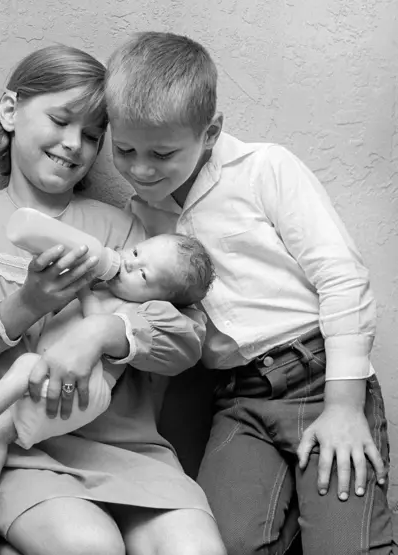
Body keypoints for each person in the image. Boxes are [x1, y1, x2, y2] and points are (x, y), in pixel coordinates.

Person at [0, 44, 226, 555]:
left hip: (132, 452)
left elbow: (186, 339)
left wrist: (103, 331)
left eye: (92, 135)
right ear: (11, 111)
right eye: (60, 121)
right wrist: (28, 303)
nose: (73, 144)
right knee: (89, 547)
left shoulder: (123, 227)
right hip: (23, 449)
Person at [105, 31, 394, 554]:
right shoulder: (138, 219)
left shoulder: (265, 169)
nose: (141, 169)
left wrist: (345, 406)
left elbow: (342, 277)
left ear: (210, 131)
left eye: (163, 153)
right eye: (124, 149)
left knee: (345, 546)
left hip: (320, 379)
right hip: (238, 398)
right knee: (223, 542)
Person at [0, 233, 215, 510]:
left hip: (87, 388)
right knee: (2, 431)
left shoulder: (132, 308)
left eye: (143, 275)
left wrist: (83, 287)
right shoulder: (109, 290)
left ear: (160, 300)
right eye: (134, 253)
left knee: (25, 367)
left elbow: (96, 320)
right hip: (64, 381)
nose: (130, 265)